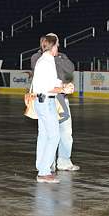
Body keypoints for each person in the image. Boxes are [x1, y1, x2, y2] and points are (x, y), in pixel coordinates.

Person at [31, 33, 80, 172]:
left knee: (65, 130)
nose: (58, 46)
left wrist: (56, 57)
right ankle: (47, 163)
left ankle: (63, 161)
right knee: (48, 133)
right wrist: (52, 56)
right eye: (56, 43)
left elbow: (70, 68)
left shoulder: (60, 57)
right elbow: (44, 75)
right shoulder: (39, 58)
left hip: (60, 97)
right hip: (49, 96)